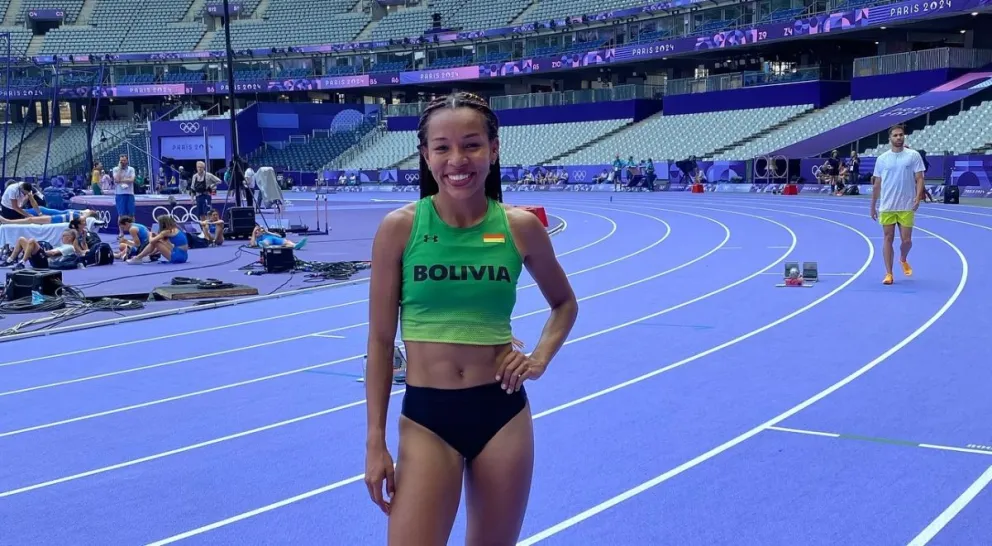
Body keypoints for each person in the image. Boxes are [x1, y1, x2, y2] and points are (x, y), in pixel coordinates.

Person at [363, 92, 578, 546]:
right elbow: (381, 343)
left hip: (501, 414)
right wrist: (374, 443)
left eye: (472, 144)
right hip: (427, 417)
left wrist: (538, 358)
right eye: (442, 147)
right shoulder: (400, 229)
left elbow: (564, 304)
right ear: (425, 155)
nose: (457, 159)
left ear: (494, 150)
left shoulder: (520, 227)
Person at [870, 123, 925, 285]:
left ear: (904, 136)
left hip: (906, 204)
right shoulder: (882, 159)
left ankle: (903, 258)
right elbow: (877, 184)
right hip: (887, 205)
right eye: (895, 135)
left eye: (901, 134)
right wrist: (872, 205)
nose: (899, 137)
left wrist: (918, 197)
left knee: (906, 241)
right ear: (890, 138)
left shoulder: (913, 156)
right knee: (887, 238)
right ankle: (889, 273)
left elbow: (920, 178)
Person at [113, 155, 136, 220]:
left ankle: (132, 229)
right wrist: (120, 168)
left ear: (127, 161)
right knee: (121, 215)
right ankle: (121, 230)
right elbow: (116, 179)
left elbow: (132, 180)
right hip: (120, 194)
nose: (123, 162)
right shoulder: (115, 169)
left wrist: (121, 180)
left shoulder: (131, 169)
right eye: (121, 161)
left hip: (129, 193)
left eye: (124, 160)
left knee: (131, 214)